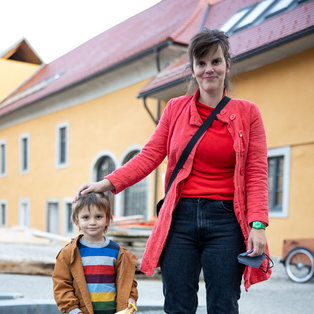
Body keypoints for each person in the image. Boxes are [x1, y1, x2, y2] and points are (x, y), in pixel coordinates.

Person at [73, 28, 271, 314]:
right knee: (177, 304)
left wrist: (258, 225)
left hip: (227, 221)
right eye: (201, 63)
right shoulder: (175, 109)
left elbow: (256, 171)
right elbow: (150, 155)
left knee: (223, 304)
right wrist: (107, 183)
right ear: (192, 69)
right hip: (180, 218)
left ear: (227, 64)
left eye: (215, 61)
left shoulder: (248, 113)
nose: (209, 69)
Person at [53, 193, 138, 314]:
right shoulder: (69, 253)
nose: (92, 222)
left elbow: (128, 281)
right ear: (76, 221)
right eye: (86, 217)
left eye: (98, 217)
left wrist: (131, 298)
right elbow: (61, 284)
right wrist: (72, 310)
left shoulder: (118, 252)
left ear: (107, 220)